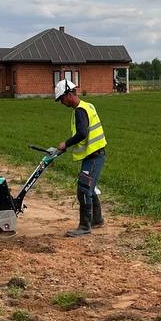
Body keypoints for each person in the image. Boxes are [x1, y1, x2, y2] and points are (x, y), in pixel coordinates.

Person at [54, 79, 106, 237]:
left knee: (83, 189)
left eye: (61, 99)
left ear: (69, 94)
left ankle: (85, 227)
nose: (62, 103)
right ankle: (97, 220)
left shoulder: (79, 111)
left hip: (94, 156)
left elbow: (82, 133)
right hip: (96, 154)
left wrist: (66, 144)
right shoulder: (88, 105)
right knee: (89, 188)